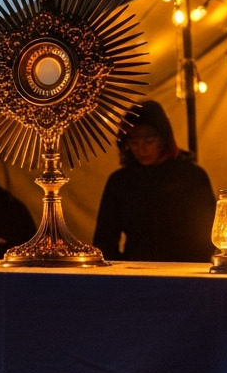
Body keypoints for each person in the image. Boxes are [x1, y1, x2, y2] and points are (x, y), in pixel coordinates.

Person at [92, 100, 216, 262]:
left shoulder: (191, 177)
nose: (141, 149)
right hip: (136, 274)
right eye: (134, 142)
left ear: (164, 139)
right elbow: (104, 239)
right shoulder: (121, 182)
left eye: (148, 141)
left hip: (186, 272)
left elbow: (208, 235)